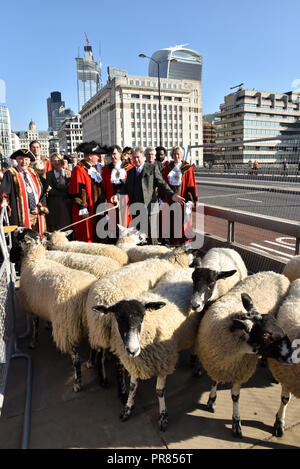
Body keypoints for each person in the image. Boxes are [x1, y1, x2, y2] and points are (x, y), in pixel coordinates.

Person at [111, 147, 185, 245]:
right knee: (138, 237)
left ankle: (153, 257)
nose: (136, 160)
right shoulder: (130, 172)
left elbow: (162, 183)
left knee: (152, 237)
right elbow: (125, 188)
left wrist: (172, 195)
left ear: (143, 156)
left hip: (150, 208)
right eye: (134, 158)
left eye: (138, 157)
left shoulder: (152, 168)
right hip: (136, 210)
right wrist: (117, 195)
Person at [0, 149, 49, 236]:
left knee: (38, 238)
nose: (24, 162)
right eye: (21, 159)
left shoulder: (33, 173)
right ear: (16, 160)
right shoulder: (11, 173)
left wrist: (40, 208)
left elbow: (42, 193)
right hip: (20, 213)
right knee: (23, 240)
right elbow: (4, 191)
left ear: (30, 161)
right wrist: (4, 200)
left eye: (26, 159)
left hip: (36, 214)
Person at [68, 141, 104, 243]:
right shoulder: (79, 169)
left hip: (94, 208)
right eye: (96, 155)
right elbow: (77, 190)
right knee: (85, 237)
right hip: (84, 210)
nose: (98, 157)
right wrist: (83, 208)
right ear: (89, 156)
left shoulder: (93, 169)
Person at [162, 146, 198, 244]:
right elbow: (164, 184)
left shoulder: (187, 168)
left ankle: (184, 242)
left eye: (178, 154)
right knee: (171, 222)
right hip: (170, 200)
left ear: (181, 155)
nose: (176, 156)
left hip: (183, 200)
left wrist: (190, 200)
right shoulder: (167, 168)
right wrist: (162, 197)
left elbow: (191, 184)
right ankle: (172, 241)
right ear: (172, 155)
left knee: (183, 222)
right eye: (174, 154)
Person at [100, 145, 133, 241]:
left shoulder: (129, 167)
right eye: (110, 154)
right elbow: (104, 186)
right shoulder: (106, 169)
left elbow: (130, 185)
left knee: (124, 222)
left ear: (120, 154)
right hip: (110, 199)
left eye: (114, 154)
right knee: (112, 223)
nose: (112, 156)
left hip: (124, 199)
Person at [46, 153, 72, 231]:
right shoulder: (48, 174)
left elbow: (71, 188)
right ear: (51, 162)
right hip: (54, 204)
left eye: (58, 160)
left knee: (67, 226)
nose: (57, 162)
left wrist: (58, 187)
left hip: (66, 204)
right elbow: (50, 191)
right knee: (56, 228)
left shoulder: (68, 173)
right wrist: (64, 190)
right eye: (54, 161)